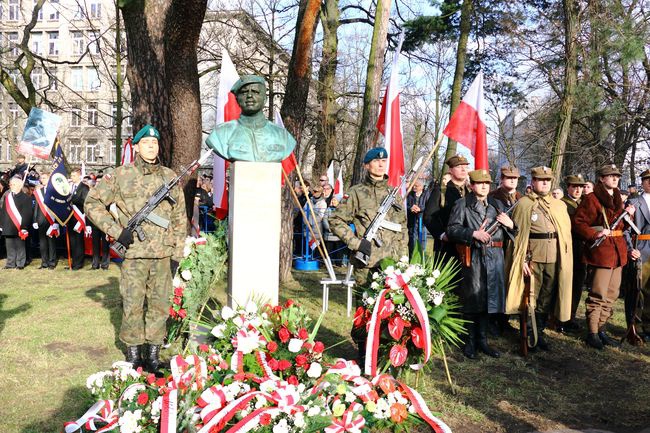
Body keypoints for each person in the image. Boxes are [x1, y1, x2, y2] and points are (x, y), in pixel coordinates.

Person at [85, 124, 186, 371]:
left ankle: (152, 355)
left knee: (160, 305)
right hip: (133, 255)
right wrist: (116, 230)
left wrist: (177, 252)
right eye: (146, 143)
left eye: (155, 143)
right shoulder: (121, 175)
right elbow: (92, 203)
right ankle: (133, 355)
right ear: (137, 147)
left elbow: (179, 217)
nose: (151, 147)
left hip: (162, 255)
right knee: (132, 304)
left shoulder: (169, 177)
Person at [329, 147, 408, 362]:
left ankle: (385, 352)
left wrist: (404, 259)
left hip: (390, 263)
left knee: (391, 309)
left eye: (384, 161)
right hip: (367, 262)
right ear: (367, 165)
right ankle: (364, 352)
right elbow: (335, 220)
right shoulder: (356, 192)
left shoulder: (394, 194)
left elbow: (402, 228)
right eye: (376, 161)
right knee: (365, 308)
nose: (381, 164)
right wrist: (355, 243)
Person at [447, 169, 517, 359]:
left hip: (495, 257)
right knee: (472, 300)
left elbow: (513, 231)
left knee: (489, 300)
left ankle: (483, 341)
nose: (485, 186)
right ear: (472, 185)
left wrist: (510, 224)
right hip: (474, 257)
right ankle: (469, 342)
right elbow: (452, 230)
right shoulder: (462, 204)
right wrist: (472, 234)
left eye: (487, 183)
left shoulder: (497, 205)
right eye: (480, 183)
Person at [506, 166, 573, 351]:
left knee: (547, 295)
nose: (544, 183)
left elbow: (564, 235)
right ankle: (527, 334)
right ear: (533, 182)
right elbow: (519, 236)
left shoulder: (559, 205)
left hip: (553, 257)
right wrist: (523, 260)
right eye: (540, 180)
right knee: (530, 297)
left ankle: (539, 332)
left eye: (547, 180)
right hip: (532, 257)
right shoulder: (524, 204)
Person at [573, 164, 635, 349]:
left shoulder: (618, 199)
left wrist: (628, 216)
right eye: (610, 175)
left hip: (617, 253)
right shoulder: (592, 199)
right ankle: (592, 333)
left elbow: (621, 228)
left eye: (616, 176)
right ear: (601, 178)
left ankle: (601, 329)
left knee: (612, 294)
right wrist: (594, 234)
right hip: (601, 253)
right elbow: (578, 222)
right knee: (598, 294)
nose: (615, 179)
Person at [206, 75, 296, 162]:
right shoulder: (221, 133)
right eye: (244, 92)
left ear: (265, 99)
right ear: (237, 100)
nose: (249, 95)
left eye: (255, 92)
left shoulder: (282, 135)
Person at [488, 165, 522, 335]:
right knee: (497, 283)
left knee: (510, 282)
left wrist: (513, 225)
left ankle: (504, 319)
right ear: (501, 179)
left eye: (515, 178)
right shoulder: (492, 197)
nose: (512, 180)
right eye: (509, 178)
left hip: (514, 246)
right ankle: (493, 320)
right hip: (499, 246)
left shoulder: (520, 198)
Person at [422, 154, 470, 255]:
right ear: (450, 170)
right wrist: (442, 235)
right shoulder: (441, 190)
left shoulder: (471, 191)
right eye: (459, 167)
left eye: (465, 167)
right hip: (446, 246)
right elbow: (429, 216)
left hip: (468, 245)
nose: (463, 170)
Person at [559, 174, 588, 332]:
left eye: (580, 187)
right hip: (567, 245)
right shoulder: (561, 204)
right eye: (574, 186)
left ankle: (571, 315)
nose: (578, 190)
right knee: (564, 281)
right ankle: (559, 317)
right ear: (568, 187)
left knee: (578, 282)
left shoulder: (585, 203)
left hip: (582, 246)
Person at [624, 169, 650, 342]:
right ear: (642, 182)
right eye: (647, 180)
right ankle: (635, 327)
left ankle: (648, 327)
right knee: (638, 290)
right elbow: (624, 230)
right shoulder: (634, 202)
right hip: (641, 247)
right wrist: (629, 248)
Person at [0, 176, 33, 269]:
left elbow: (27, 213)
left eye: (13, 184)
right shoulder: (8, 197)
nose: (11, 186)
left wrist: (24, 227)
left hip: (19, 226)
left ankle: (20, 263)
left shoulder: (26, 198)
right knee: (9, 246)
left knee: (20, 246)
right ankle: (10, 263)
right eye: (10, 184)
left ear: (19, 185)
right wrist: (1, 224)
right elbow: (3, 211)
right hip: (8, 225)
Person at [33, 171, 59, 269]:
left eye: (44, 178)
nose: (42, 180)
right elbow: (36, 206)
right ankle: (44, 262)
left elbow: (57, 207)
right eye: (41, 178)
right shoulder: (39, 191)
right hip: (41, 219)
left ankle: (52, 262)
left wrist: (56, 222)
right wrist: (35, 220)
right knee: (42, 243)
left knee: (51, 242)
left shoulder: (54, 191)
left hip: (51, 220)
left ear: (49, 179)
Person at [67, 168, 90, 270]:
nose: (72, 178)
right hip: (70, 217)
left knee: (78, 241)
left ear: (79, 176)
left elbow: (85, 202)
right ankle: (73, 262)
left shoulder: (84, 187)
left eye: (74, 176)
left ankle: (79, 263)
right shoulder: (70, 187)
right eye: (71, 176)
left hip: (79, 217)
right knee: (72, 241)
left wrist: (73, 199)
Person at [406, 179, 428, 254]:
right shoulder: (409, 194)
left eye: (416, 186)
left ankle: (422, 258)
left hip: (422, 221)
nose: (414, 187)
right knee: (412, 241)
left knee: (422, 241)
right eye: (413, 185)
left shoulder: (426, 194)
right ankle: (412, 258)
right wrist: (410, 208)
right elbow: (406, 205)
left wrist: (420, 209)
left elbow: (428, 206)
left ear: (421, 187)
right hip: (412, 221)